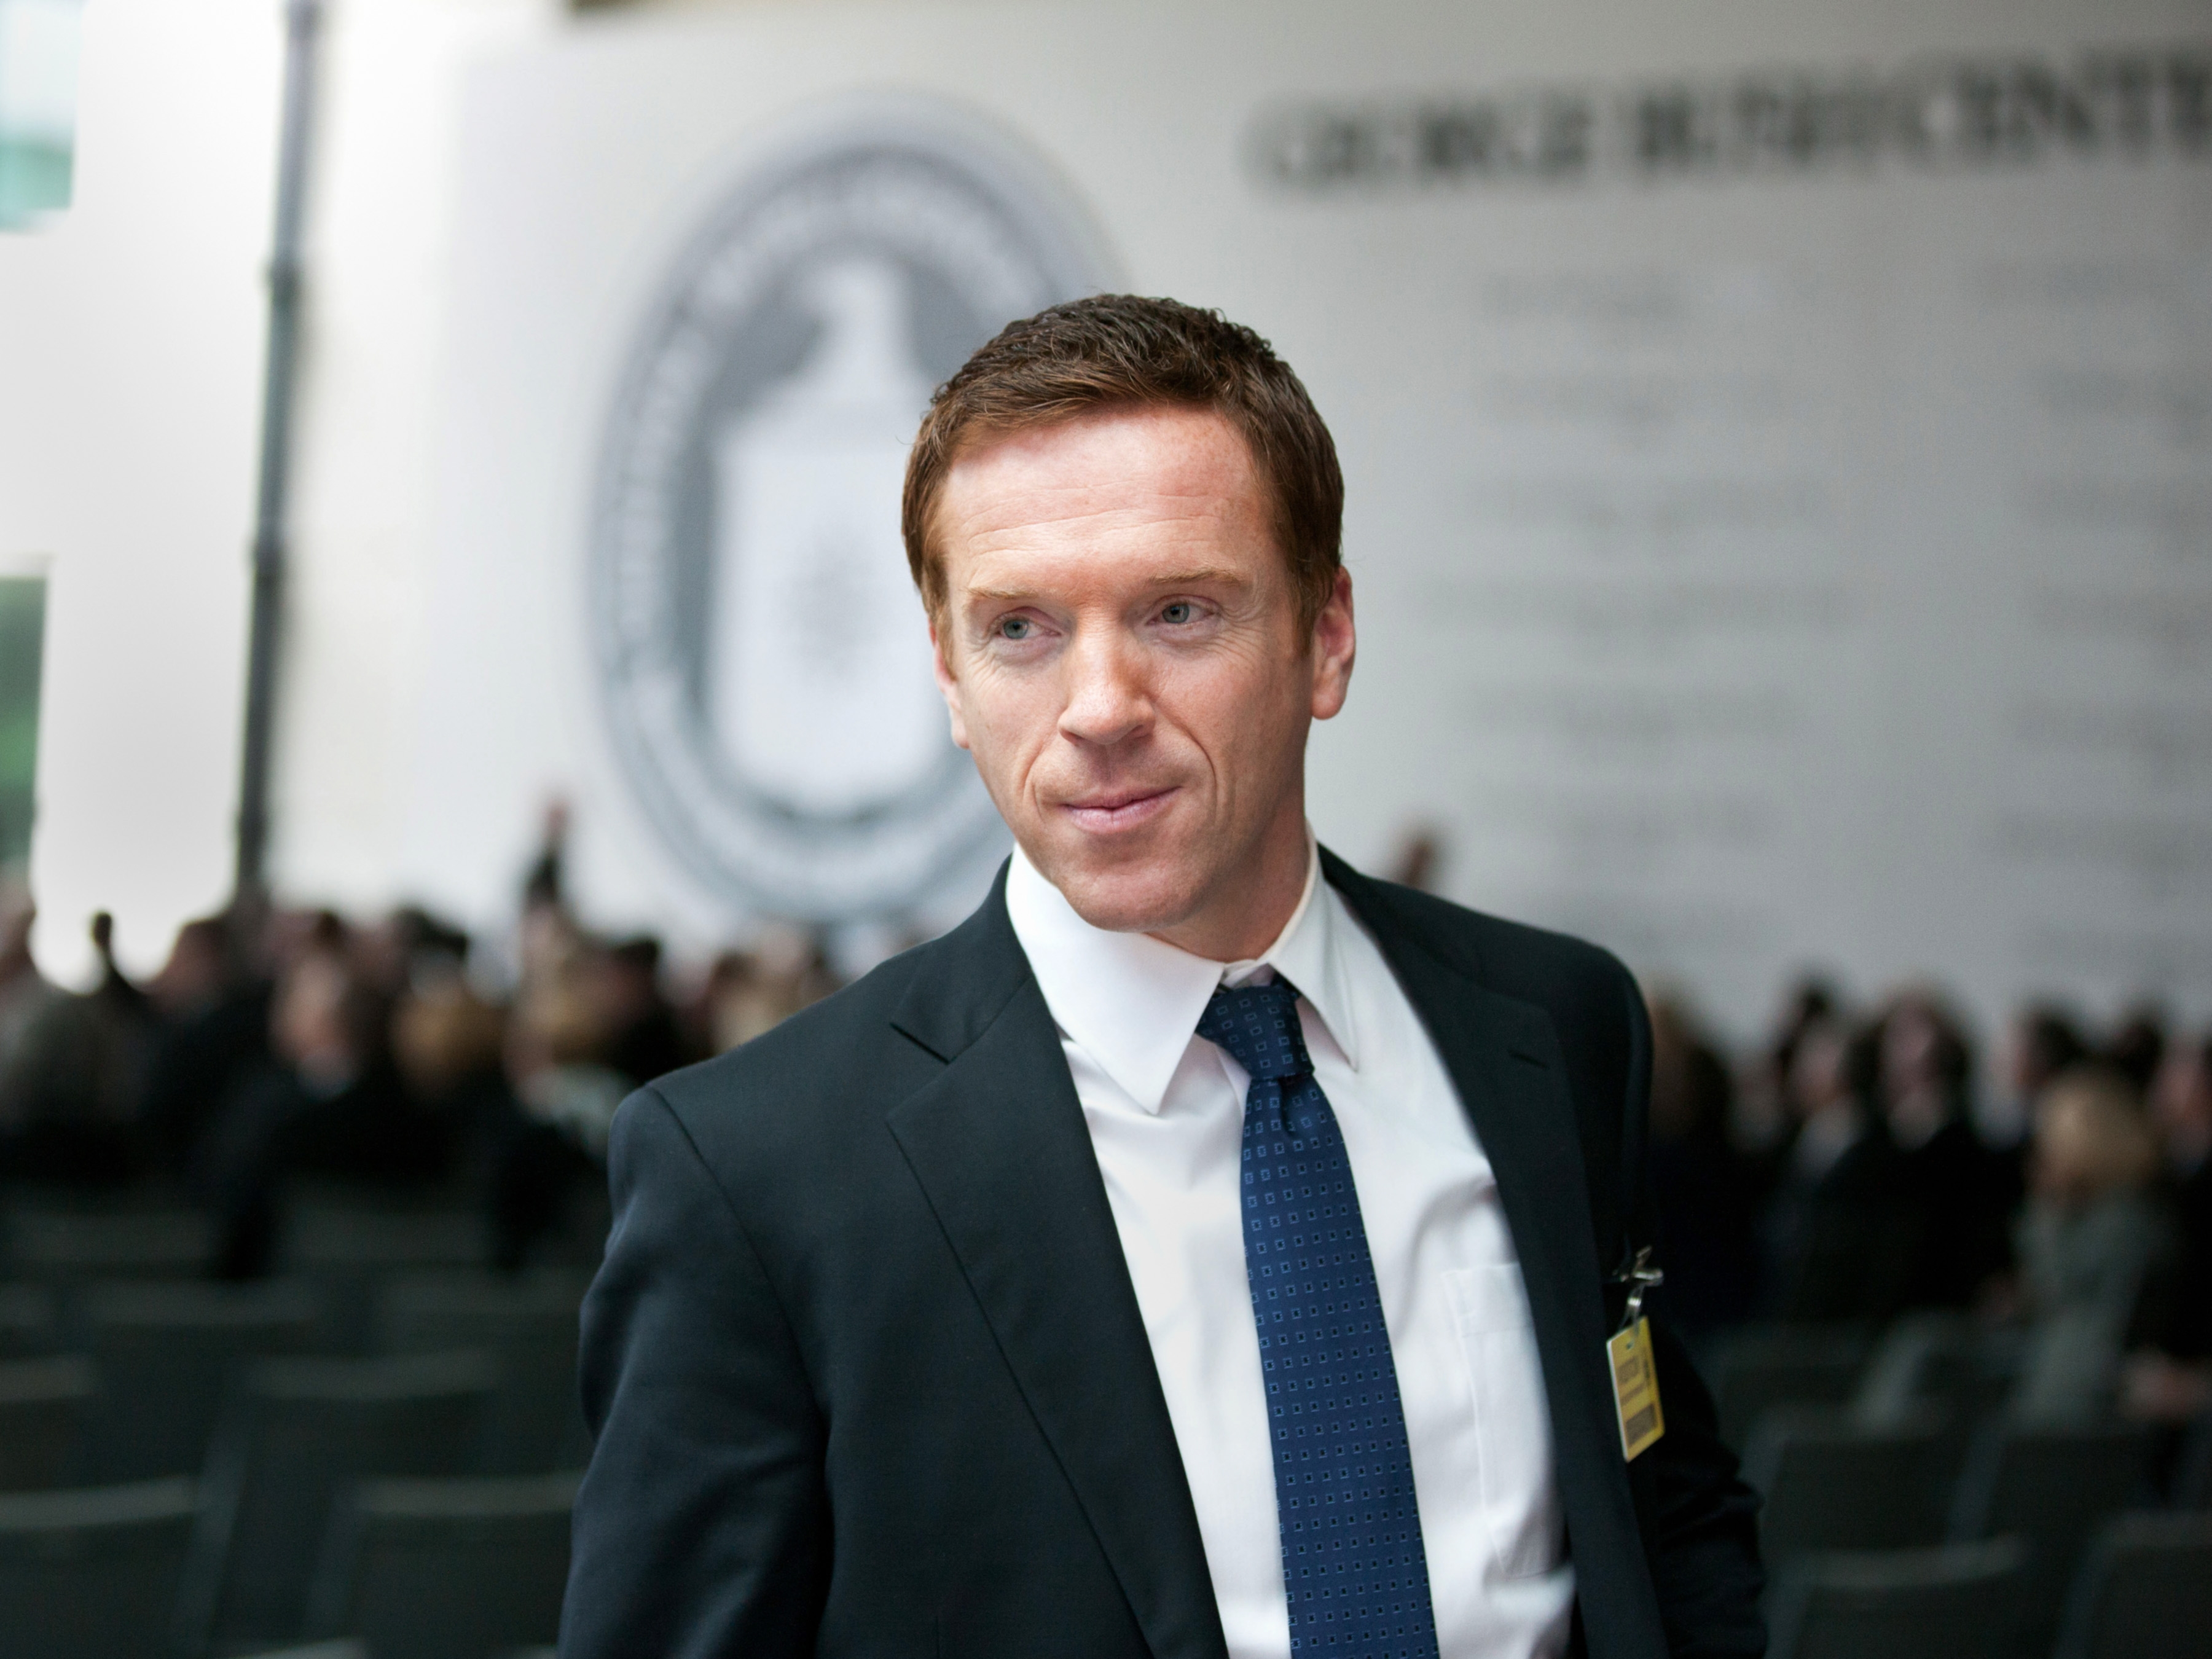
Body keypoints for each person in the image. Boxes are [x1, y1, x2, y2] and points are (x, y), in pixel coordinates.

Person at [562, 297, 1762, 1659]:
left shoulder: (1556, 1030)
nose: (1099, 707)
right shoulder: (759, 1173)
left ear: (1325, 636)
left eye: (1179, 611)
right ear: (949, 678)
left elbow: (1661, 1503)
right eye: (1019, 630)